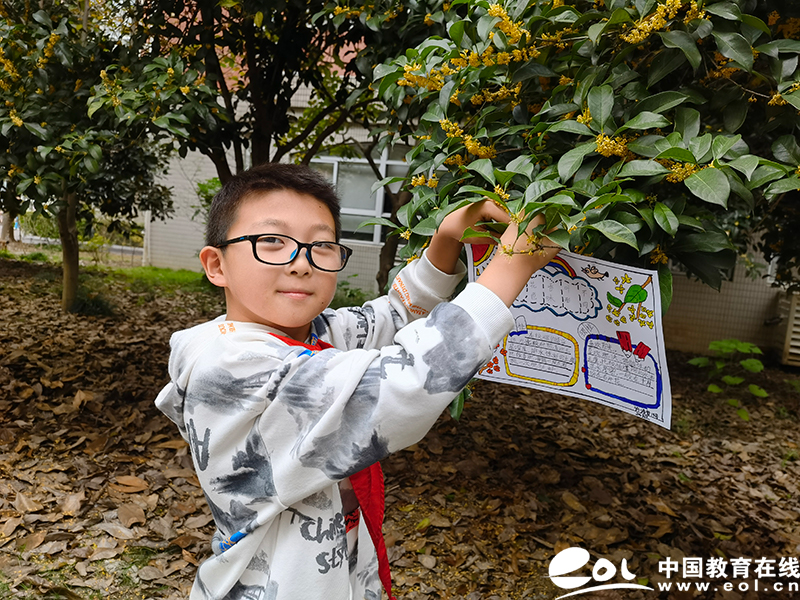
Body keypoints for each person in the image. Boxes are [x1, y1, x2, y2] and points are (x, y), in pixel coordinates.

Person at [155, 163, 559, 600]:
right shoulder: (231, 365)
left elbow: (391, 317)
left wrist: (444, 243)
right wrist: (510, 268)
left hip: (338, 567)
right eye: (271, 241)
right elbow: (401, 386)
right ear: (217, 265)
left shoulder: (315, 333)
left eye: (321, 245)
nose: (301, 263)